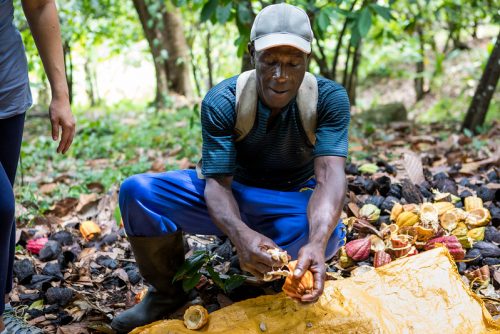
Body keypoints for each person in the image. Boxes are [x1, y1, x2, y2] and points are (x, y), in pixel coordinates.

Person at [112, 3, 350, 333]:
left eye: (293, 64)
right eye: (270, 62)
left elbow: (329, 177)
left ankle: (267, 282)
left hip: (286, 201)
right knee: (138, 193)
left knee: (327, 232)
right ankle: (167, 294)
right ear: (252, 54)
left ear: (307, 60)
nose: (280, 76)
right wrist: (239, 235)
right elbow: (217, 184)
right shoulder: (224, 100)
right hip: (230, 193)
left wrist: (317, 242)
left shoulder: (328, 99)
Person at [0, 0, 75, 333]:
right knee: (0, 207)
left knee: (4, 214)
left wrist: (60, 93)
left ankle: (3, 311)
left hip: (7, 93)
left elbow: (40, 4)